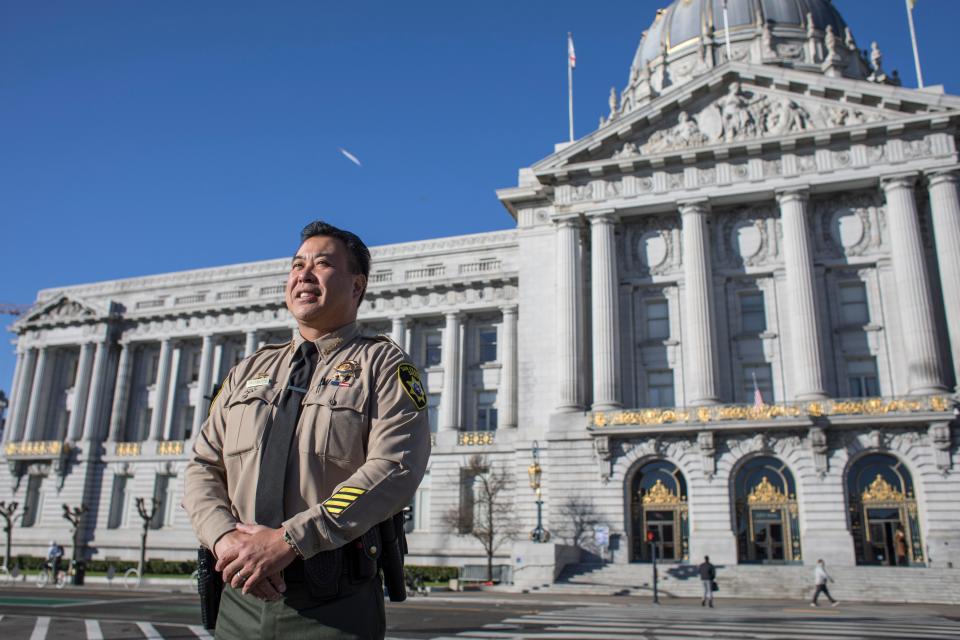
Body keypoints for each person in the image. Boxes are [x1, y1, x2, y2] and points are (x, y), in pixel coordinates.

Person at [183, 220, 431, 639]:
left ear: (356, 285)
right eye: (298, 264)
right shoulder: (247, 371)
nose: (304, 274)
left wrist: (287, 542)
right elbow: (202, 466)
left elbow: (394, 468)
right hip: (240, 596)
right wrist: (224, 540)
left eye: (322, 264)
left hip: (331, 602)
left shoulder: (384, 366)